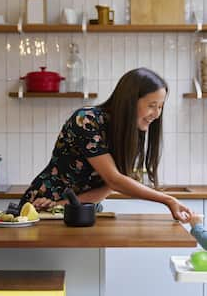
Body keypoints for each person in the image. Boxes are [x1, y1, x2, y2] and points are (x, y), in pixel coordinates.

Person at [20, 67, 192, 223]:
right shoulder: (86, 120)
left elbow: (108, 186)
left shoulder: (128, 131)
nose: (156, 114)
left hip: (76, 210)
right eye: (152, 106)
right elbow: (114, 180)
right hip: (41, 207)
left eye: (160, 107)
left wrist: (63, 205)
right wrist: (168, 200)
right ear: (130, 101)